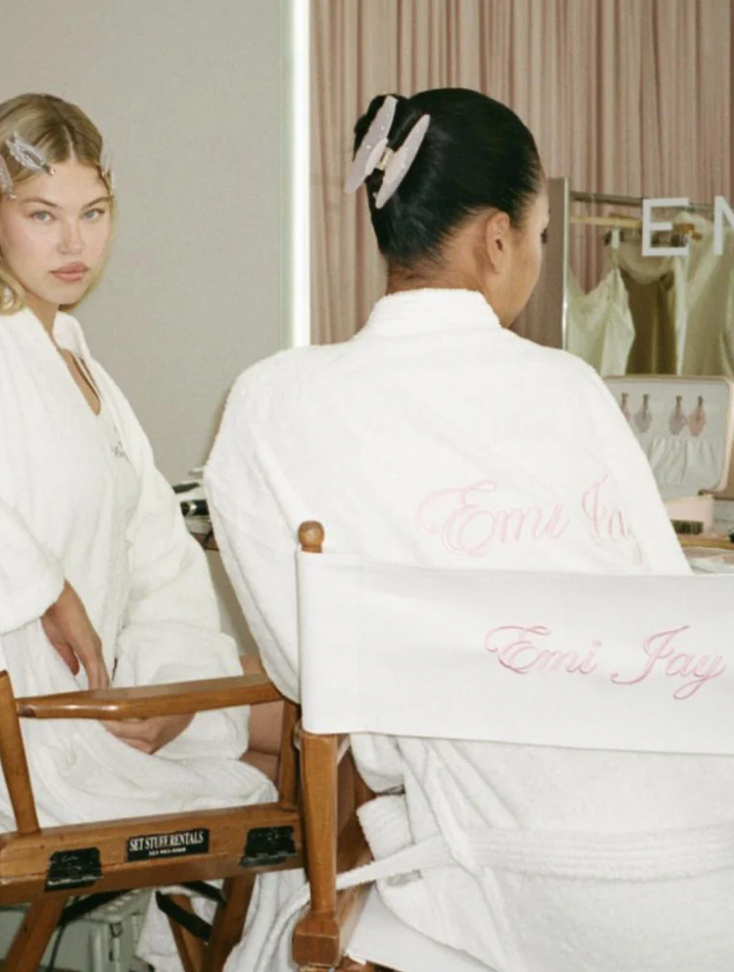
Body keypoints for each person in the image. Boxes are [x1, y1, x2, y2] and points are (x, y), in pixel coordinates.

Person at [206, 88, 734, 972]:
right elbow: (672, 624)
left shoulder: (270, 404)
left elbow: (313, 677)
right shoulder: (570, 389)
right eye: (538, 237)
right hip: (705, 870)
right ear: (496, 240)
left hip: (517, 882)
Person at [0, 94, 275, 869]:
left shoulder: (76, 359)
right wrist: (47, 587)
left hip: (96, 700)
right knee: (323, 744)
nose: (75, 243)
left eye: (94, 213)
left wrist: (175, 691)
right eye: (43, 215)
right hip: (30, 732)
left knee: (319, 710)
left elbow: (159, 554)